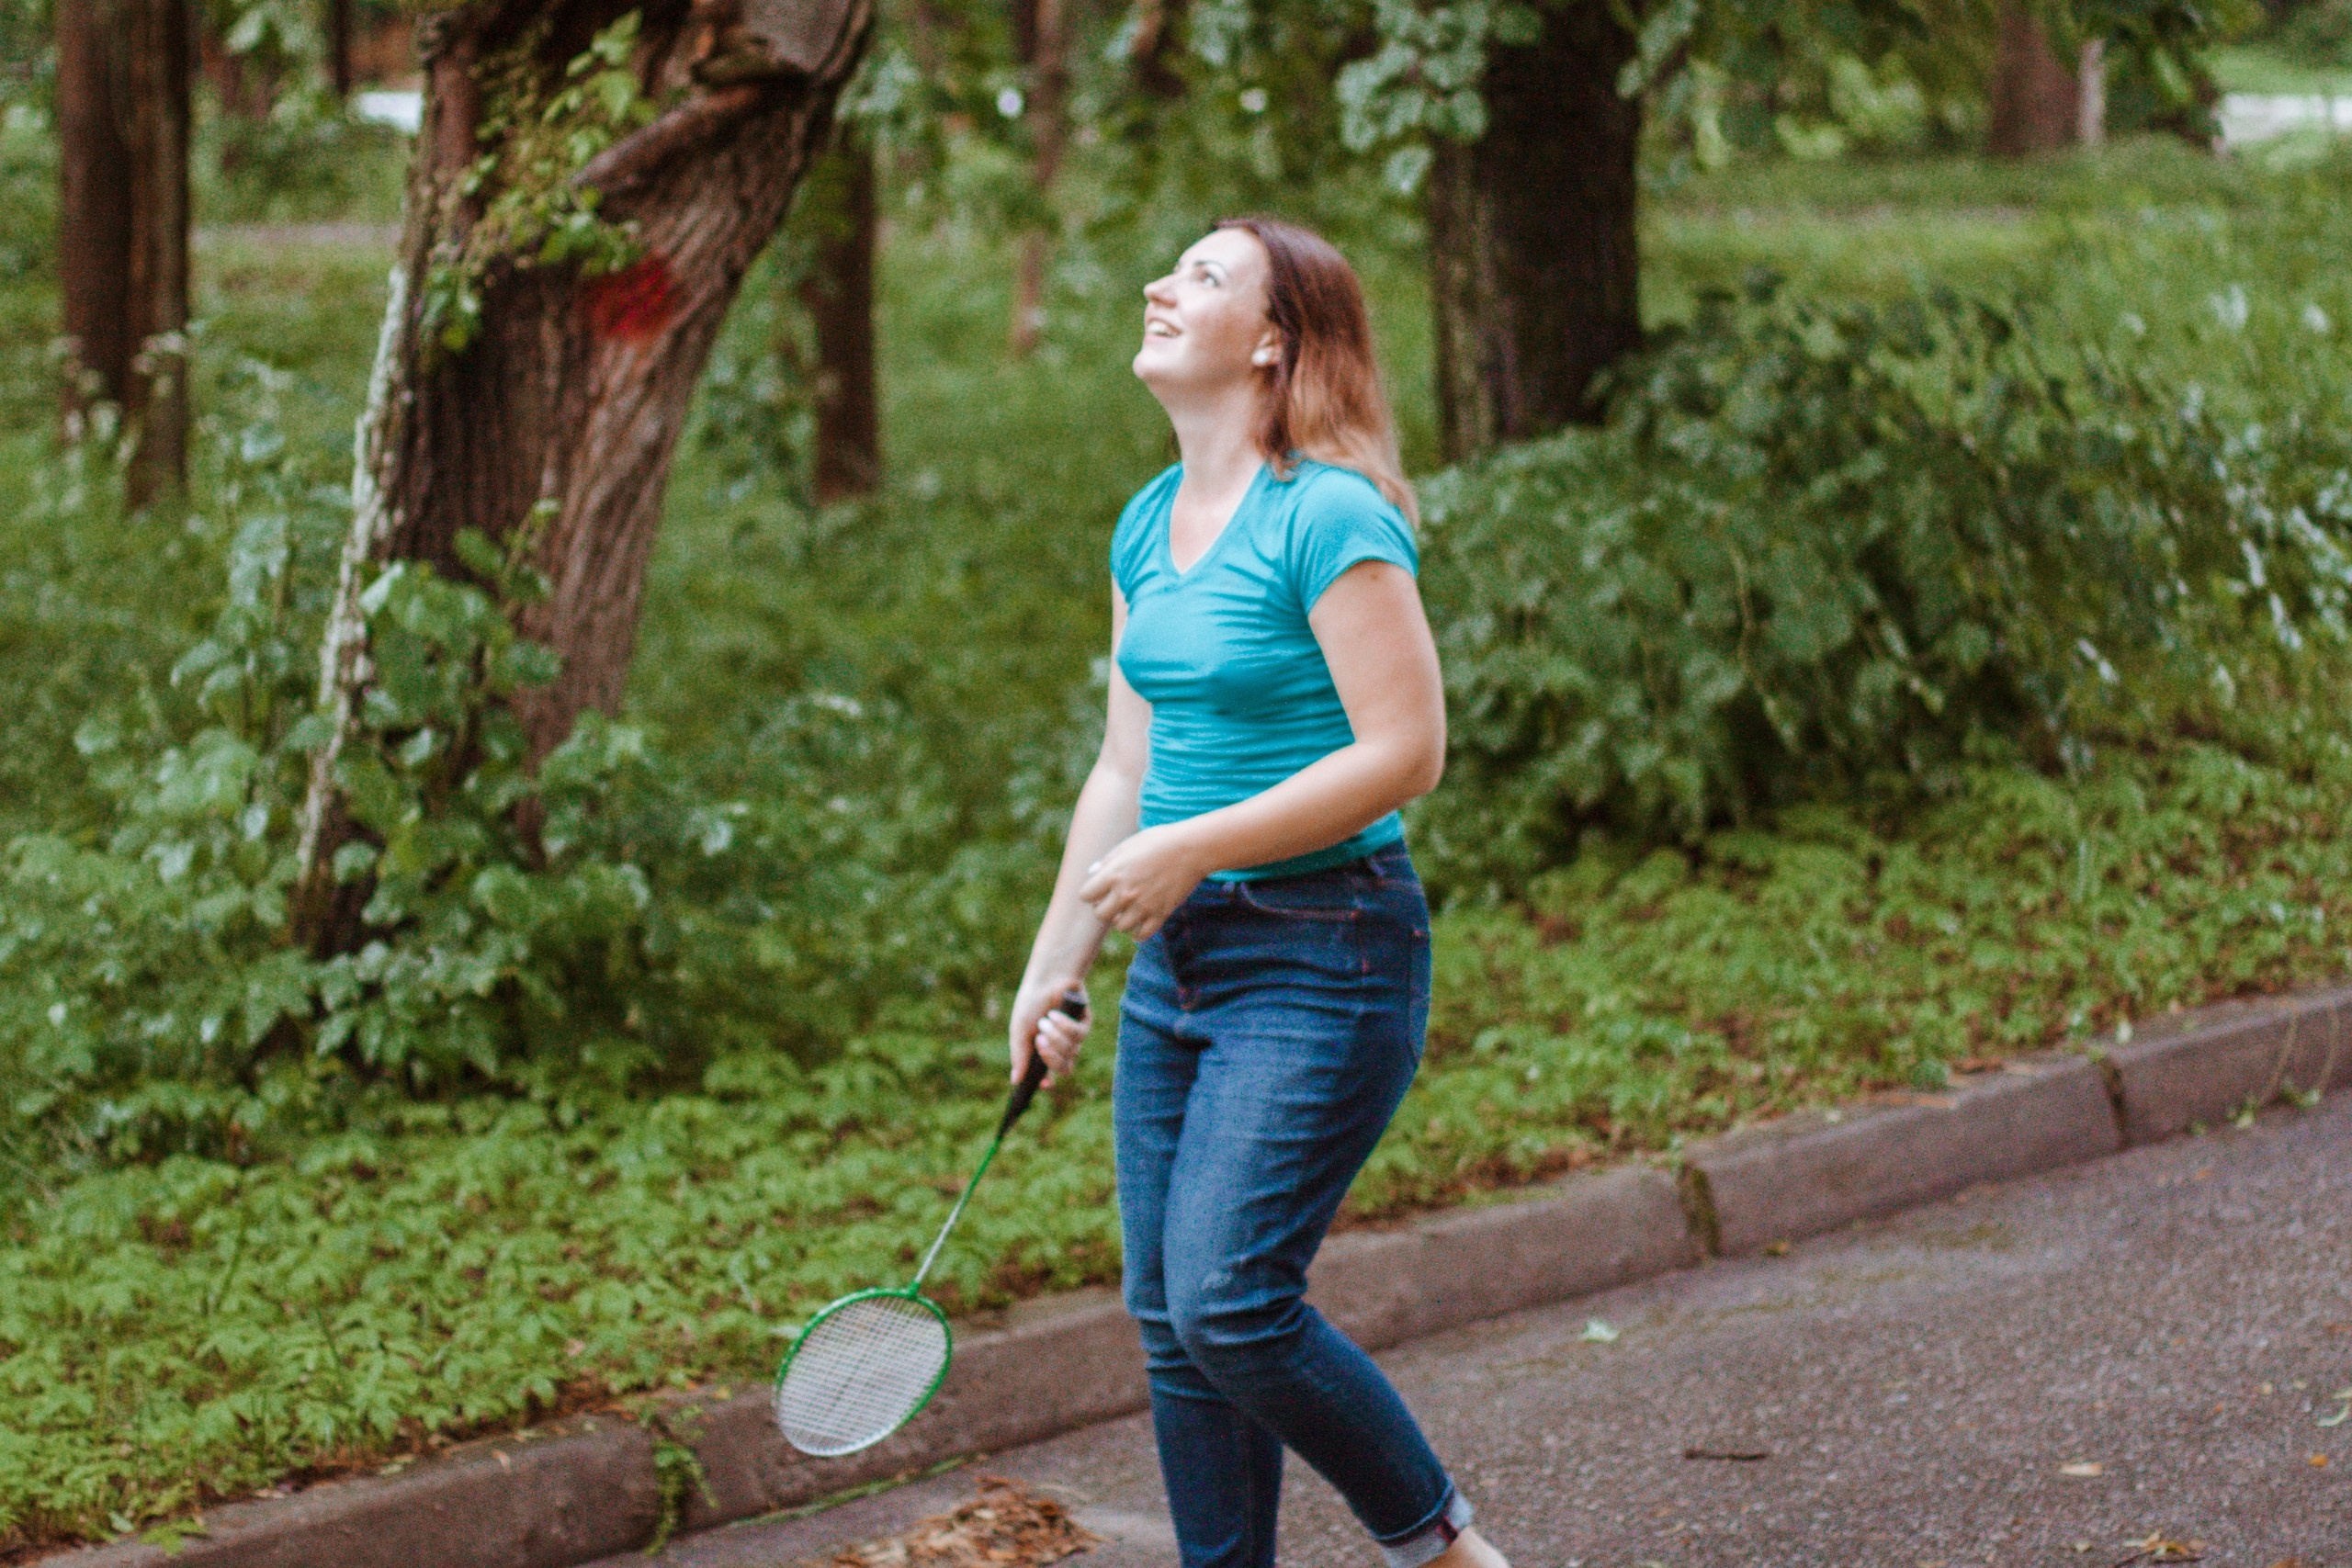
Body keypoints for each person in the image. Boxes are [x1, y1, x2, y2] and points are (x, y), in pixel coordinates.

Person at [1008, 215, 1510, 1568]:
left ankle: (1444, 1551)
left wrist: (1202, 846)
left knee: (1230, 1300)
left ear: (1275, 340)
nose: (1160, 285)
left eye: (1206, 276)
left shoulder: (1329, 514)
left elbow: (1408, 752)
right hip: (1183, 960)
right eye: (1167, 265)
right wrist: (1053, 963)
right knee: (1171, 1319)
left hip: (1326, 949)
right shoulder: (1144, 524)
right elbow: (1125, 767)